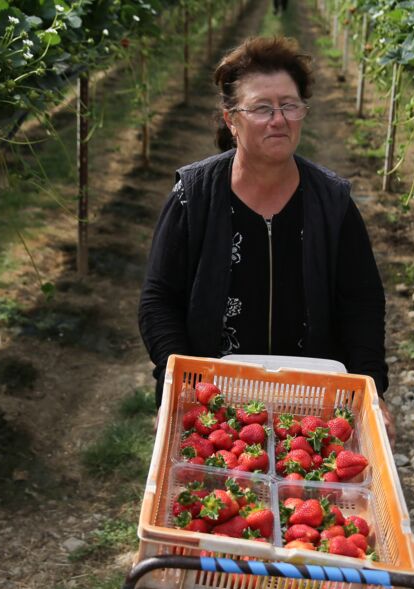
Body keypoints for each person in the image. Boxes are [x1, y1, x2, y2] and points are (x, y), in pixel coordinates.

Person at [138, 36, 394, 442]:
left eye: (289, 105)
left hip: (311, 405)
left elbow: (361, 303)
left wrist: (371, 391)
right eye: (261, 108)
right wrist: (181, 385)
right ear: (231, 120)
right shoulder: (194, 195)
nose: (279, 119)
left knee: (304, 494)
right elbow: (159, 300)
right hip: (213, 406)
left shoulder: (333, 202)